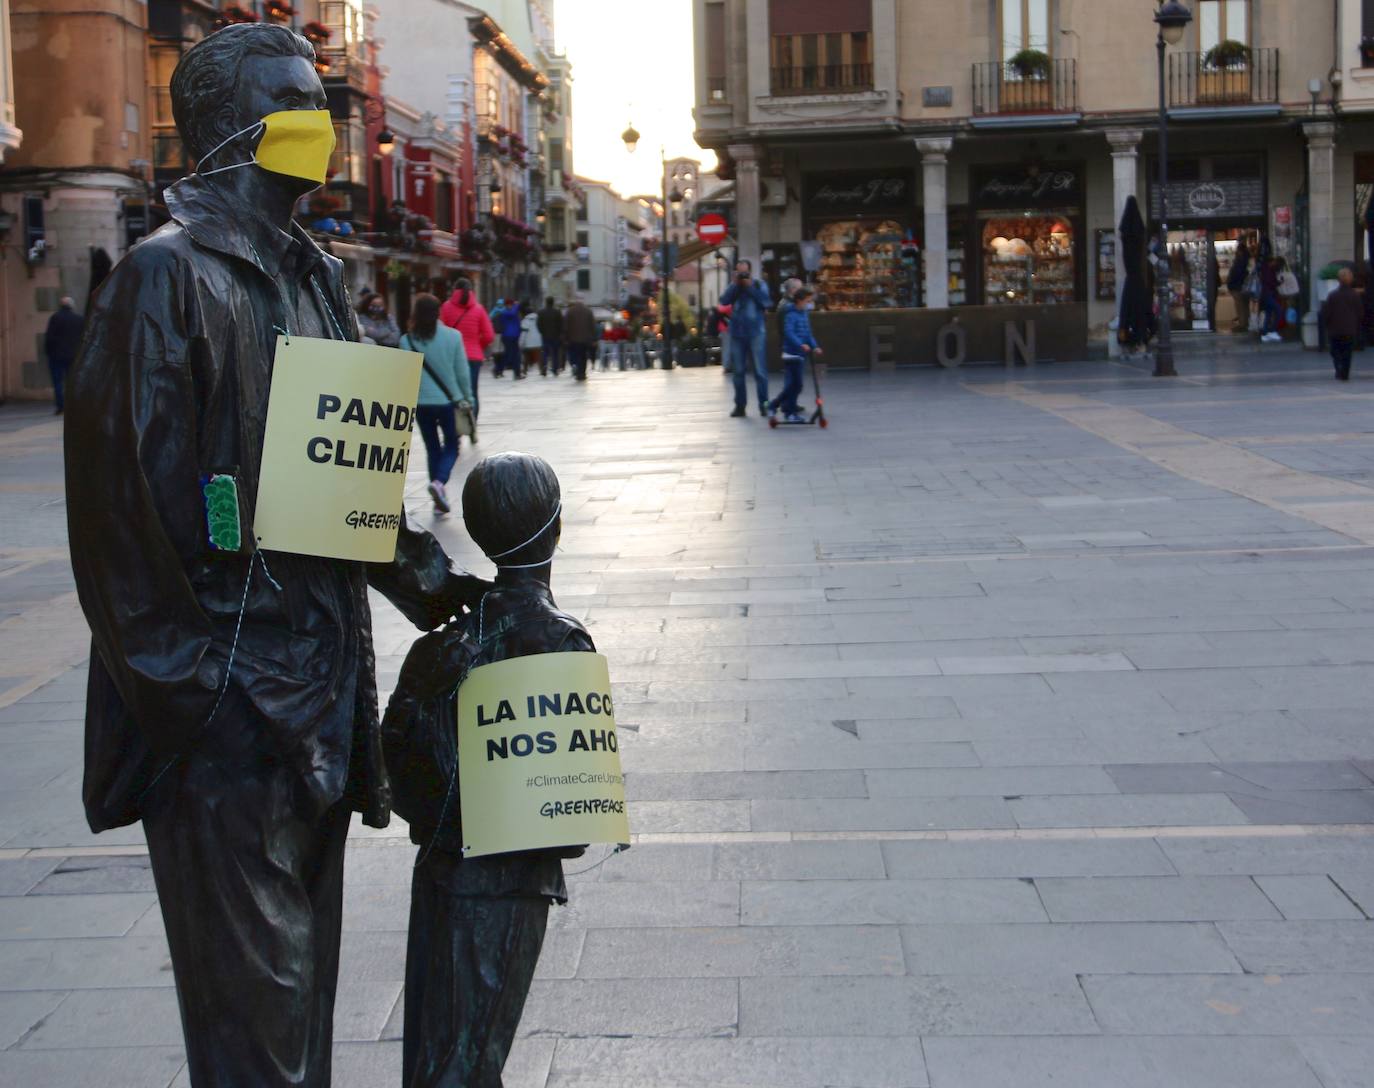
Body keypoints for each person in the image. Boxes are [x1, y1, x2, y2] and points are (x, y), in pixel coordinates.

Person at [62, 23, 487, 1086]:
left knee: (300, 1022)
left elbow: (339, 482)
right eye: (301, 103)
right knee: (260, 1037)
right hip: (227, 722)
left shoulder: (314, 281)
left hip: (319, 705)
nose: (327, 124)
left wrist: (442, 590)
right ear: (233, 129)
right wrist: (209, 697)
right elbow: (119, 533)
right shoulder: (164, 284)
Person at [382, 452, 590, 1088]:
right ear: (557, 528)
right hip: (508, 883)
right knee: (469, 1062)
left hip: (443, 868)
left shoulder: (440, 641)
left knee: (436, 1055)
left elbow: (400, 765)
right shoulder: (560, 641)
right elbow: (572, 819)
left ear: (473, 529)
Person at [403, 293, 473, 513]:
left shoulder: (407, 340)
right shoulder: (453, 337)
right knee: (452, 445)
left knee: (432, 447)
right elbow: (462, 372)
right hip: (447, 401)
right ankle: (439, 483)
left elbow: (405, 374)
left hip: (420, 402)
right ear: (438, 312)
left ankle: (437, 498)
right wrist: (468, 398)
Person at [719, 259, 771, 417]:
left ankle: (764, 404)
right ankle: (740, 406)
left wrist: (749, 286)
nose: (742, 275)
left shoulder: (758, 284)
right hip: (737, 333)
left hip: (756, 332)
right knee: (738, 372)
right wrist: (735, 284)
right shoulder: (734, 285)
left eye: (744, 272)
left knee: (760, 371)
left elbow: (767, 302)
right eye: (739, 271)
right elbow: (723, 301)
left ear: (750, 271)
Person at [441, 278, 495, 418]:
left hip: (452, 356)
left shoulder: (446, 307)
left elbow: (441, 332)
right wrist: (477, 345)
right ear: (472, 291)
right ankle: (472, 423)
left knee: (454, 391)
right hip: (473, 356)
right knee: (472, 391)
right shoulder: (478, 309)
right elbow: (489, 335)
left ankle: (456, 422)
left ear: (454, 290)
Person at [770, 285, 821, 422]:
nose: (809, 304)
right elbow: (789, 333)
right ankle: (787, 411)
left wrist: (814, 346)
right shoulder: (790, 314)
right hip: (791, 354)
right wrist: (800, 344)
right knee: (795, 385)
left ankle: (775, 405)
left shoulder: (804, 313)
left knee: (794, 385)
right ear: (799, 300)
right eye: (807, 301)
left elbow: (808, 333)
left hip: (800, 354)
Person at [43, 297, 84, 415]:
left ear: (61, 305)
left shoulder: (55, 318)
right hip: (73, 356)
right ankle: (75, 406)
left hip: (56, 356)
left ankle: (61, 406)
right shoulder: (79, 319)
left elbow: (49, 338)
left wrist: (48, 352)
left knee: (58, 383)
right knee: (73, 382)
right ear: (72, 306)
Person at [1322, 267, 1363, 381]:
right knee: (1347, 352)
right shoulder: (1355, 295)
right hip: (1350, 329)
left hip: (1335, 329)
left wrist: (1327, 324)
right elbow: (1360, 312)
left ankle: (1338, 368)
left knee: (1336, 351)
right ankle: (1345, 372)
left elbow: (1327, 313)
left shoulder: (1332, 295)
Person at [563, 295, 598, 381]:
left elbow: (565, 326)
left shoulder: (570, 311)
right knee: (583, 356)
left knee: (574, 354)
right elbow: (593, 326)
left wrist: (565, 337)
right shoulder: (588, 311)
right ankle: (582, 372)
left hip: (573, 338)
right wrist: (594, 338)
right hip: (585, 338)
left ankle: (575, 367)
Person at [493, 298, 523, 378]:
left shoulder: (512, 312)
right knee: (508, 355)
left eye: (511, 304)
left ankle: (516, 374)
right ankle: (498, 370)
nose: (510, 306)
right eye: (509, 304)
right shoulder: (505, 313)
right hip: (507, 336)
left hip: (514, 336)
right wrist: (516, 305)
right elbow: (512, 314)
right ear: (506, 305)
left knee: (515, 355)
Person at [1225, 241, 1250, 333]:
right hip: (1243, 287)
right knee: (1244, 306)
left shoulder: (1240, 261)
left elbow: (1237, 274)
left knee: (1240, 307)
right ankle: (1245, 324)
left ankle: (1242, 325)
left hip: (1237, 287)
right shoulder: (1246, 260)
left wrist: (1230, 283)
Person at [536, 296, 564, 375]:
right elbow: (561, 324)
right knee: (555, 352)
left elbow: (538, 324)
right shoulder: (557, 312)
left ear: (546, 302)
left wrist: (542, 332)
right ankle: (555, 368)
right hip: (555, 335)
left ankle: (544, 366)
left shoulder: (541, 312)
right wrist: (559, 333)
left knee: (545, 352)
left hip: (545, 335)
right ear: (553, 302)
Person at [1258, 256, 1282, 342]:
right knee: (1278, 310)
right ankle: (1272, 330)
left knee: (1269, 313)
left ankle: (1265, 333)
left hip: (1266, 294)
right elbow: (1270, 282)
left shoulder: (1265, 270)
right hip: (1269, 294)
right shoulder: (1269, 270)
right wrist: (1278, 282)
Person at [519, 303, 542, 377]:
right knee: (539, 357)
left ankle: (524, 370)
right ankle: (541, 369)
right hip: (538, 342)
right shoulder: (539, 318)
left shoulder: (524, 321)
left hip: (528, 343)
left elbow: (523, 334)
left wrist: (521, 343)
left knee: (526, 357)